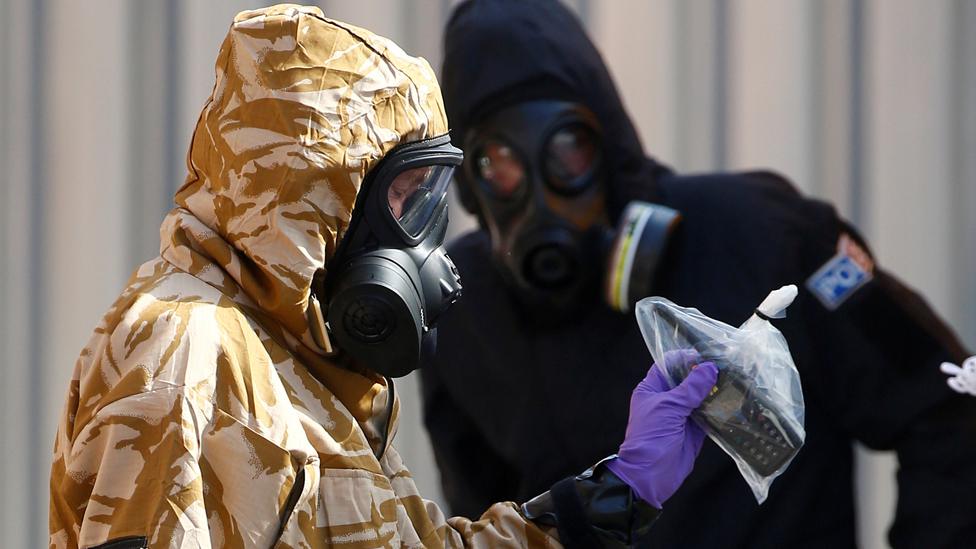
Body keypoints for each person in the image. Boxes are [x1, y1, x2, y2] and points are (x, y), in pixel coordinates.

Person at [48, 5, 719, 548]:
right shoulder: (180, 352)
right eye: (406, 199)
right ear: (313, 196)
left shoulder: (309, 373)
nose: (429, 238)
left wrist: (617, 493)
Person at [421, 1, 976, 547]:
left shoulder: (766, 235)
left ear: (609, 147)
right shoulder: (461, 310)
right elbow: (486, 531)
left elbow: (946, 407)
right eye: (499, 162)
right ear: (469, 181)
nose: (540, 196)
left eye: (567, 151)